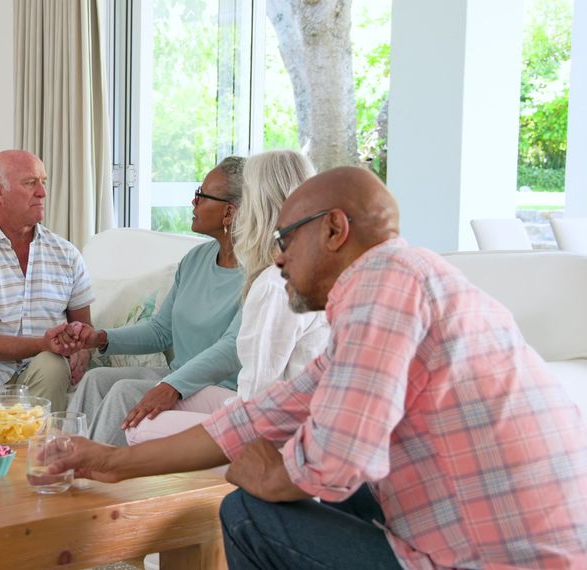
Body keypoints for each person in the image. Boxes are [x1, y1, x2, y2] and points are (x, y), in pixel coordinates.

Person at [48, 167, 587, 568]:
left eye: (286, 239)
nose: (278, 257)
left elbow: (336, 461)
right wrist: (115, 461)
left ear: (334, 229)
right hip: (492, 541)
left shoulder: (385, 287)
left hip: (496, 558)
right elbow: (261, 415)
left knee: (249, 513)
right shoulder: (405, 282)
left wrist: (274, 475)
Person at [125, 149, 329, 446]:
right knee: (153, 401)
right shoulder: (306, 268)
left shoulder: (274, 283)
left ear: (256, 204)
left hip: (281, 434)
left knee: (139, 426)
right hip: (282, 410)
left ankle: (116, 472)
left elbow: (255, 401)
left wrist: (215, 420)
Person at [66, 157, 247, 447]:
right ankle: (65, 454)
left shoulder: (258, 273)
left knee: (126, 391)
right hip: (178, 377)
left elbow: (231, 349)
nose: (194, 200)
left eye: (202, 194)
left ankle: (91, 474)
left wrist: (172, 386)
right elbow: (160, 331)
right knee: (96, 379)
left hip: (219, 390)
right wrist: (98, 338)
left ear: (229, 213)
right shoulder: (195, 260)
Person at [0, 149, 92, 412]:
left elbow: (83, 325)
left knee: (53, 365)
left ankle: (40, 451)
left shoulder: (67, 254)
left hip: (44, 363)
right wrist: (44, 343)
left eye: (43, 182)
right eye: (30, 183)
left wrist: (82, 349)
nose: (42, 193)